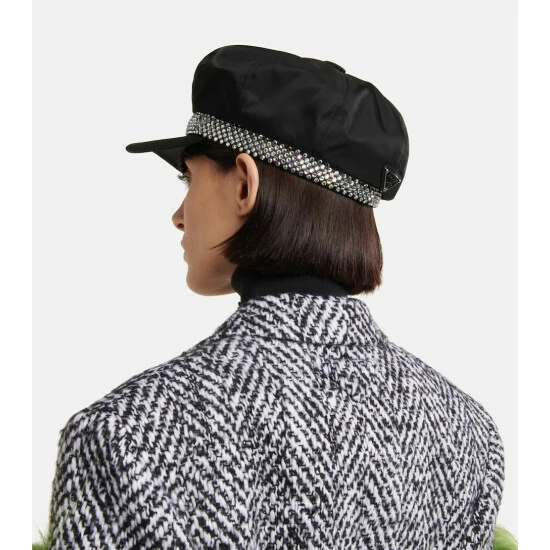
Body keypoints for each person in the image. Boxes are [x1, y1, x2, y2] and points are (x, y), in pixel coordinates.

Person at [46, 44, 507, 549]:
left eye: (188, 177)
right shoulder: (468, 432)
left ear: (245, 185)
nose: (178, 215)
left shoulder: (125, 436)